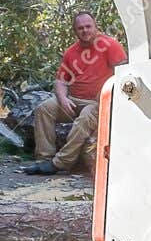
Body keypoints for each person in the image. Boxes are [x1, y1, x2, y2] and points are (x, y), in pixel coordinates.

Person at [25, 11, 126, 175]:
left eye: (88, 26)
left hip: (97, 101)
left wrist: (108, 98)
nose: (85, 30)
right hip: (73, 99)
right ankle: (44, 158)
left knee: (85, 118)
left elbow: (122, 74)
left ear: (95, 26)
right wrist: (63, 98)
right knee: (44, 109)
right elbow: (60, 81)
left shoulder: (109, 45)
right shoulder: (71, 51)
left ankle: (59, 163)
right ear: (75, 31)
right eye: (80, 28)